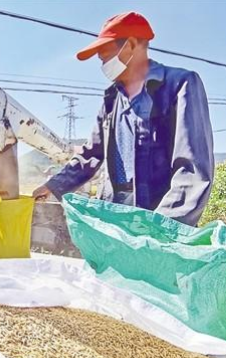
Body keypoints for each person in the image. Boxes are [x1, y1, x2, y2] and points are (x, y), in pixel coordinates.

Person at [33, 11, 214, 226]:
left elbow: (192, 168)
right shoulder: (111, 100)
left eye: (105, 56)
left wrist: (163, 227)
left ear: (130, 45)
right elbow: (90, 155)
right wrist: (53, 185)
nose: (103, 64)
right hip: (113, 213)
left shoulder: (179, 85)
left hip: (156, 215)